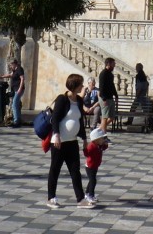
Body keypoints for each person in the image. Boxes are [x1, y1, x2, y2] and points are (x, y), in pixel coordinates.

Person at [47, 73, 91, 208]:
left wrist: (84, 138)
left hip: (72, 141)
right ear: (75, 85)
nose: (82, 86)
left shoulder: (78, 100)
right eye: (81, 84)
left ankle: (80, 199)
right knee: (55, 169)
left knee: (75, 171)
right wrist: (57, 135)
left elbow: (80, 120)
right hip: (59, 142)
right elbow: (54, 119)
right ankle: (51, 198)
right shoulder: (62, 99)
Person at [82, 126, 111, 204]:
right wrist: (84, 147)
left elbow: (103, 148)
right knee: (93, 181)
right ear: (96, 139)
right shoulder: (91, 146)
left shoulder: (99, 145)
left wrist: (105, 143)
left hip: (95, 165)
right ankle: (90, 195)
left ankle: (87, 194)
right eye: (102, 139)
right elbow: (86, 153)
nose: (103, 140)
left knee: (92, 180)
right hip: (90, 166)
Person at [98, 57, 118, 132]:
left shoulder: (110, 74)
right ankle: (103, 135)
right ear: (108, 64)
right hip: (105, 98)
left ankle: (100, 128)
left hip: (110, 98)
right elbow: (101, 87)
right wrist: (104, 99)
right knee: (105, 117)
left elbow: (112, 85)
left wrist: (116, 95)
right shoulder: (103, 74)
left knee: (112, 117)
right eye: (113, 64)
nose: (114, 65)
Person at [8, 58, 26, 128]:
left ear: (14, 64)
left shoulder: (19, 69)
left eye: (11, 65)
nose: (10, 66)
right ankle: (18, 120)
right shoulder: (14, 70)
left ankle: (16, 121)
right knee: (16, 105)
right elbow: (10, 75)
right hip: (15, 89)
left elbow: (22, 79)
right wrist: (2, 76)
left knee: (14, 104)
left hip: (18, 90)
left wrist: (20, 88)